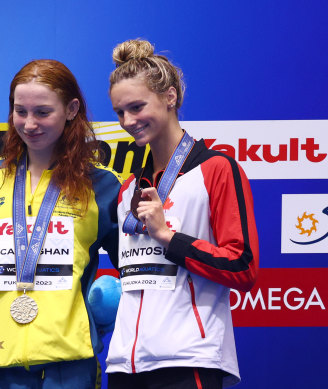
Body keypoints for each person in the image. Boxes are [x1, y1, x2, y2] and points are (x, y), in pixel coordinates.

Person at [105, 39, 259, 388]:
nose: (128, 121)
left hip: (187, 360)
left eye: (137, 106)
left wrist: (168, 237)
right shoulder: (127, 188)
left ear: (170, 97)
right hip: (124, 363)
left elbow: (242, 265)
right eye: (119, 112)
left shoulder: (217, 170)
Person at [0, 59, 122, 388]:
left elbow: (136, 268)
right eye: (20, 111)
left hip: (66, 365)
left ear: (71, 109)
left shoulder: (102, 185)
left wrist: (99, 321)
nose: (29, 123)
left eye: (42, 112)